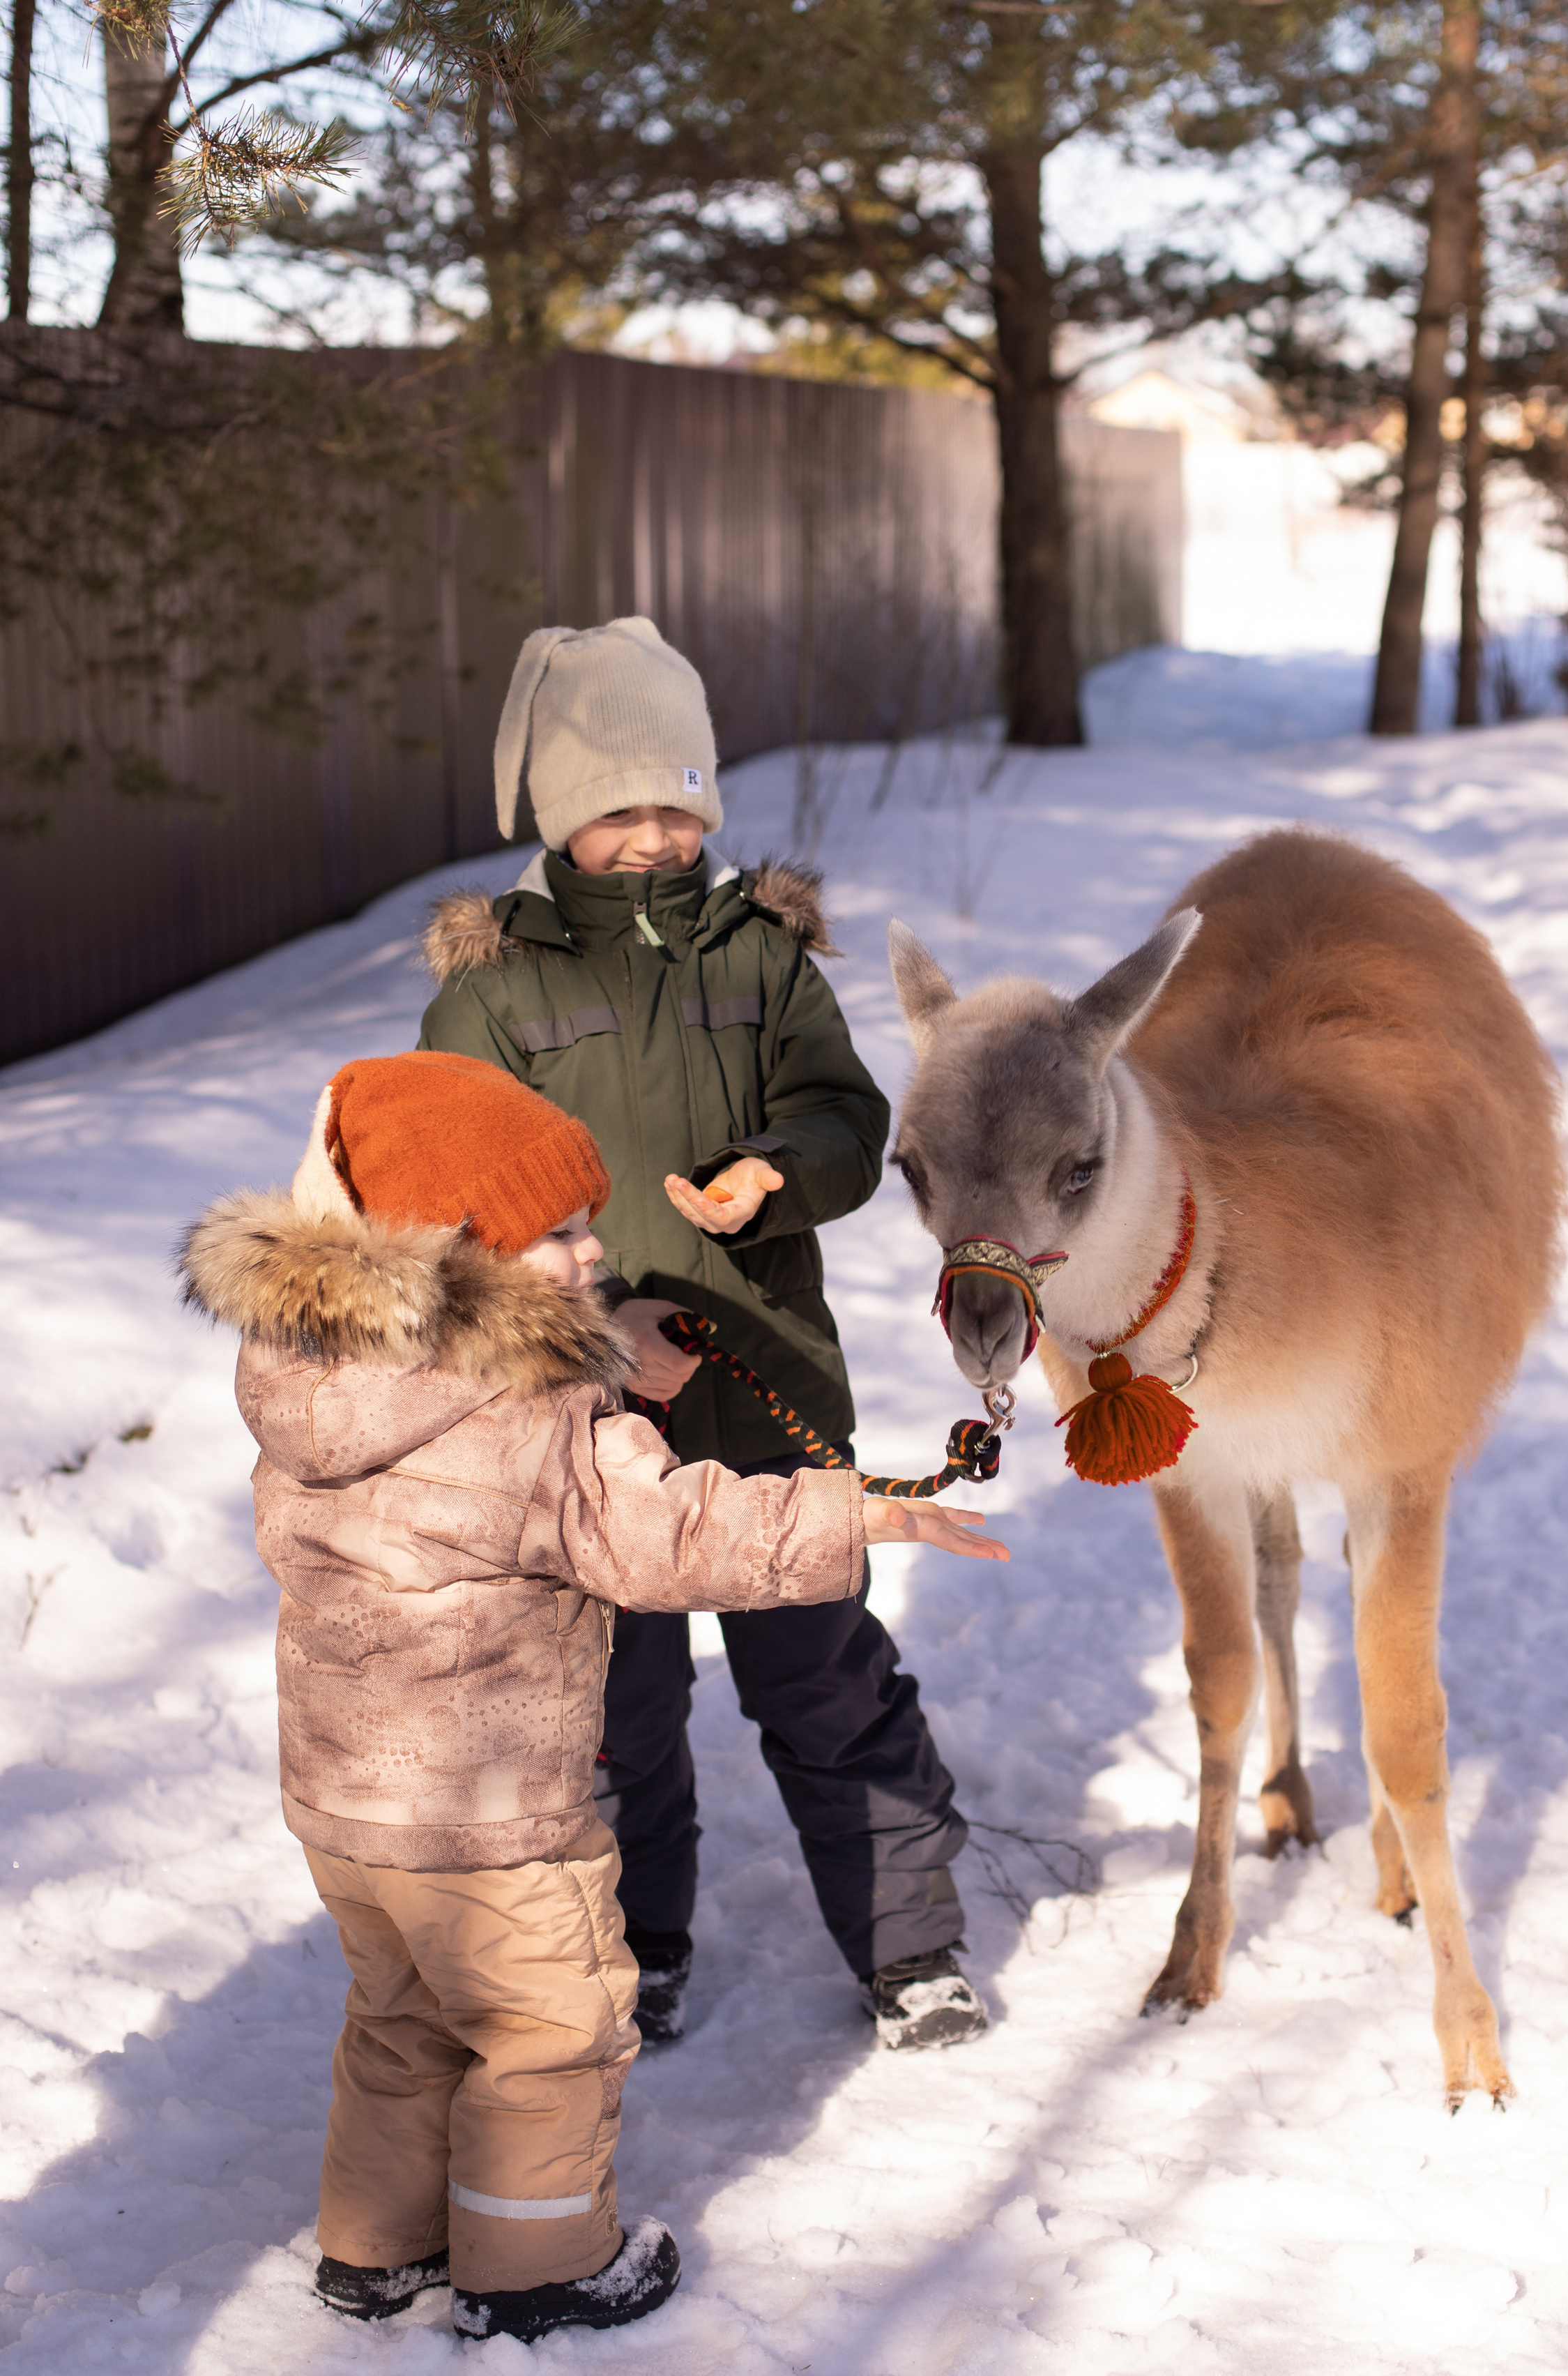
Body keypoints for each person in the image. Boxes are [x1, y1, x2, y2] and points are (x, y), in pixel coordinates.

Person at [179, 1050, 1005, 2344]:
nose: (589, 1250)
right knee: (547, 2028)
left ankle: (374, 2254)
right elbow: (661, 1533)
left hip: (348, 1810)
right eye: (554, 1233)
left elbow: (469, 1450)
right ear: (457, 1251)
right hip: (493, 1813)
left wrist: (598, 1367)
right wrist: (859, 1511)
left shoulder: (316, 1381)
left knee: (404, 2023)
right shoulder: (532, 1423)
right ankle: (538, 2268)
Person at [416, 615, 987, 2052]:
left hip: (765, 1385)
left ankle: (910, 1945)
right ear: (560, 811)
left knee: (819, 1673)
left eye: (680, 802)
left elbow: (851, 1119)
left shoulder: (762, 956)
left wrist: (777, 1169)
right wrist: (594, 1329)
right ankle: (633, 1941)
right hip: (583, 1417)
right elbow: (448, 1213)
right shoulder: (493, 993)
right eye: (621, 808)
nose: (658, 835)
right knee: (613, 1709)